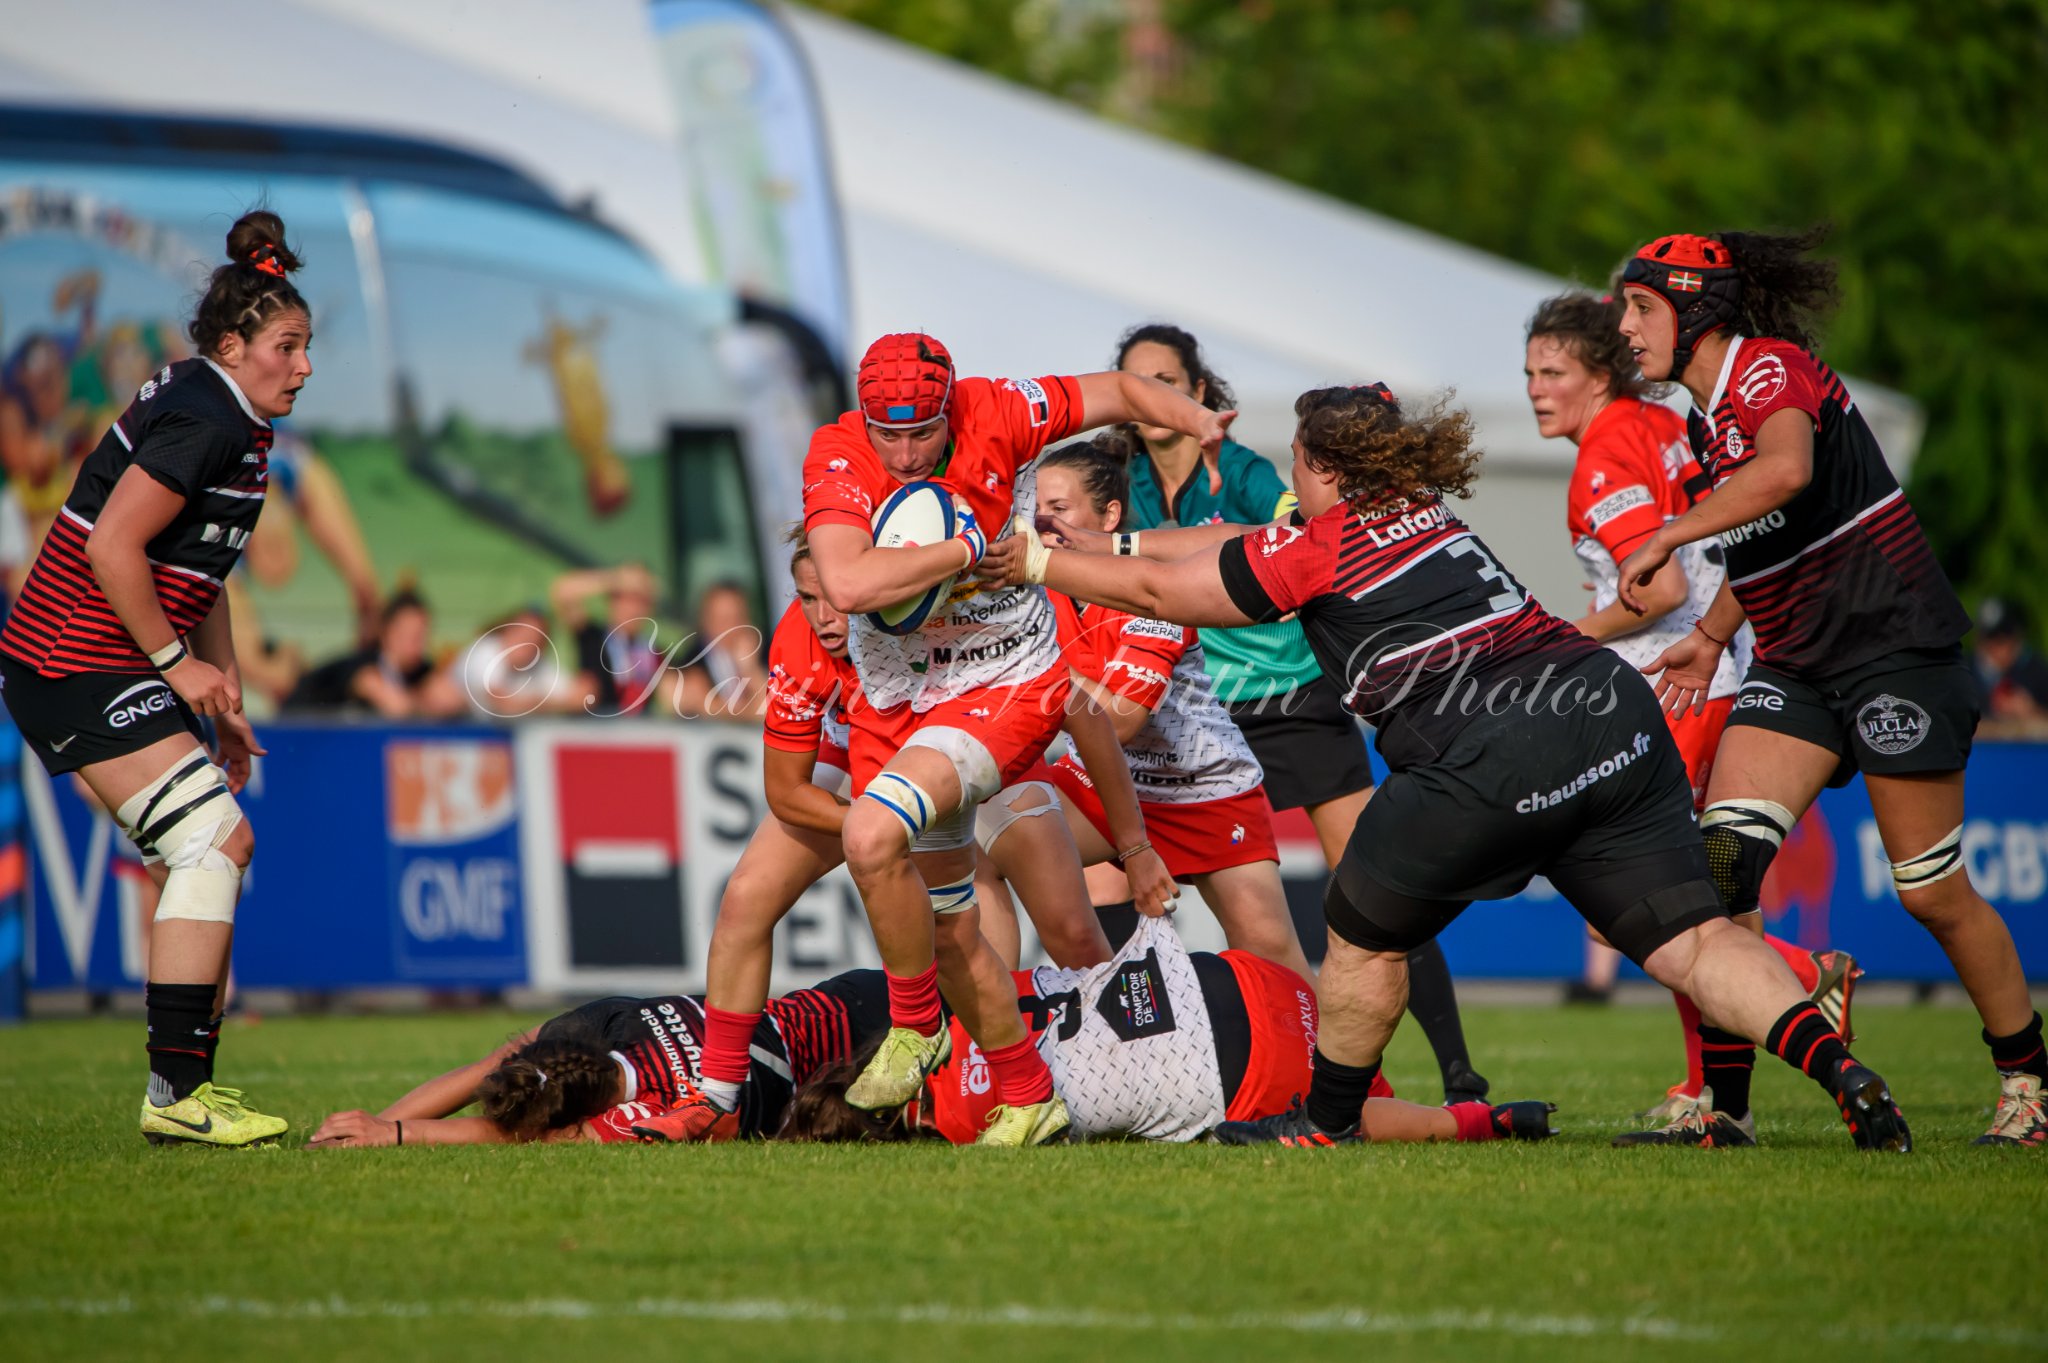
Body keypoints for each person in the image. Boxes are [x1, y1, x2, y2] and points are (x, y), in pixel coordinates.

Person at [987, 382, 1912, 1152]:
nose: (1290, 484)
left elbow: (1168, 588)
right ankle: (1843, 1070)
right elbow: (1222, 542)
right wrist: (1100, 544)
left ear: (1325, 469)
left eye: (1298, 465)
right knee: (1696, 941)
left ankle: (1328, 1124)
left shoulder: (1323, 547)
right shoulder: (1423, 509)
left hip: (1489, 741)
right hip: (1605, 707)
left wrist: (1034, 561)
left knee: (1359, 933)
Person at [1613, 230, 2045, 1148]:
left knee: (1932, 893)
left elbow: (1788, 471)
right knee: (1717, 872)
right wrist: (1709, 636)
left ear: (1696, 311)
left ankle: (2029, 1083)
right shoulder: (1703, 420)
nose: (1625, 326)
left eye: (1641, 307)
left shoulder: (1769, 368)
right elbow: (1765, 539)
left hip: (1895, 653)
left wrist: (1669, 532)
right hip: (1797, 667)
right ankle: (1728, 1110)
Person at [798, 331, 1227, 1147]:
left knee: (869, 833)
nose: (904, 452)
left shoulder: (1003, 409)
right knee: (951, 926)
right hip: (897, 698)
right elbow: (847, 583)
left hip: (1007, 682)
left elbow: (1120, 389)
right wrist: (965, 549)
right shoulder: (837, 452)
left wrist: (1196, 420)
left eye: (922, 431)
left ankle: (915, 1023)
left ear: (950, 407)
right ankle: (1031, 1094)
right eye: (887, 433)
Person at [623, 529, 1129, 1144]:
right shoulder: (800, 638)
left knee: (1060, 928)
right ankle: (719, 1100)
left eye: (837, 596)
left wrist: (1135, 847)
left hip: (974, 744)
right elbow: (786, 792)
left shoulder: (946, 607)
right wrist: (881, 824)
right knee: (746, 896)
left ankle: (1126, 1067)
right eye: (808, 597)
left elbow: (1077, 705)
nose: (824, 615)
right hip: (871, 773)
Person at [1113, 323, 1489, 1105]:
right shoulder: (1124, 480)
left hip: (1292, 702)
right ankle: (1136, 1071)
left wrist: (1139, 547)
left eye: (1166, 380)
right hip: (1193, 718)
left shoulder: (1247, 470)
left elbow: (1300, 535)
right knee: (1112, 873)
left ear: (1200, 393)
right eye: (1136, 381)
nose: (1151, 395)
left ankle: (1459, 1073)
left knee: (1380, 886)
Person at [0, 210, 311, 1146]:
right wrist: (179, 666)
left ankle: (187, 1090)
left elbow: (198, 574)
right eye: (288, 347)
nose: (304, 366)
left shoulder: (235, 420)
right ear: (233, 346)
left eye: (307, 348)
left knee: (204, 852)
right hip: (71, 658)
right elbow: (113, 546)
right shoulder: (205, 416)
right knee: (212, 840)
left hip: (107, 660)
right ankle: (176, 1095)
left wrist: (223, 698)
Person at [1525, 291, 1859, 1127]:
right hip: (1714, 677)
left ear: (1600, 375)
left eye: (1554, 371)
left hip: (1669, 692)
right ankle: (1706, 1083)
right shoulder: (1660, 422)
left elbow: (1662, 587)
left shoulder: (1604, 453)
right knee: (1699, 898)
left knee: (1640, 907)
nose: (1535, 388)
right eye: (1530, 372)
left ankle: (1802, 971)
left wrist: (1556, 638)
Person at [781, 914, 1558, 1146]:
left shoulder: (957, 1126)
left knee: (1340, 1118)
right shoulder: (956, 1011)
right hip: (1243, 977)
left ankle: (1476, 1120)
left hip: (1241, 1070)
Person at [978, 438, 1310, 978]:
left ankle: (1337, 1052)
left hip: (1205, 789)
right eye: (1035, 509)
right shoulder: (1035, 593)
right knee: (977, 853)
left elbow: (1122, 720)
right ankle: (1004, 1022)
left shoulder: (1152, 589)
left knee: (1272, 959)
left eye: (1058, 509)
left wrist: (1032, 659)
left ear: (1109, 517)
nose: (1041, 523)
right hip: (1103, 784)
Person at [308, 971, 891, 1147]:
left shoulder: (658, 1108)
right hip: (850, 994)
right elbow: (497, 1066)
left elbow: (522, 1132)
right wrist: (378, 1126)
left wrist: (394, 1131)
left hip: (866, 1057)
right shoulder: (613, 1020)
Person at [284, 588, 463, 717]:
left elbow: (451, 699)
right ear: (386, 634)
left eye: (422, 635)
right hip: (297, 734)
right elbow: (395, 705)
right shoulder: (364, 665)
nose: (418, 644)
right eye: (409, 635)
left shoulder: (422, 669)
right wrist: (424, 700)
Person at [1970, 597, 2048, 738]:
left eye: (2001, 640)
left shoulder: (2038, 672)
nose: (1994, 648)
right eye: (1989, 639)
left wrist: (2030, 710)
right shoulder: (1964, 672)